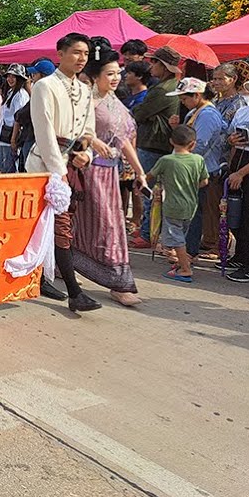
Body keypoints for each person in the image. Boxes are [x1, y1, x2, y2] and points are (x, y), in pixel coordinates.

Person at [25, 33, 102, 313]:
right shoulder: (45, 86)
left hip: (71, 163)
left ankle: (47, 277)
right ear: (60, 53)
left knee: (59, 226)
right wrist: (58, 172)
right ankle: (73, 291)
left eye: (85, 54)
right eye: (76, 52)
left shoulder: (84, 90)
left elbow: (89, 131)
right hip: (46, 166)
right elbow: (44, 131)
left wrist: (86, 153)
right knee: (52, 226)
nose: (81, 58)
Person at [71, 51, 151, 306]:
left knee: (110, 224)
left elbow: (123, 140)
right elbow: (71, 130)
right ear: (95, 76)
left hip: (109, 173)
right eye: (110, 73)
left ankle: (117, 281)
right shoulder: (85, 102)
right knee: (85, 224)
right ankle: (79, 269)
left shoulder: (115, 102)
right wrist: (93, 140)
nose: (117, 77)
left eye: (119, 72)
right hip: (86, 172)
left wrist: (139, 171)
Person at [167, 77, 226, 262]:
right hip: (196, 168)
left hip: (203, 170)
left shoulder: (207, 115)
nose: (182, 102)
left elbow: (200, 144)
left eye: (184, 98)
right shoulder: (196, 111)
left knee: (195, 214)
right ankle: (186, 250)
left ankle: (189, 252)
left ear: (197, 95)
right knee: (191, 212)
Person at [130, 46, 182, 249]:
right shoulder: (168, 85)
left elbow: (139, 113)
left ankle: (147, 233)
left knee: (149, 190)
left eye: (155, 62)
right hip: (159, 142)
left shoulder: (162, 89)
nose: (151, 66)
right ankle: (147, 229)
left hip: (153, 142)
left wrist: (146, 113)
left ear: (164, 66)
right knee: (153, 190)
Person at [147, 125, 210, 283]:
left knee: (176, 240)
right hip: (190, 206)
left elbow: (150, 175)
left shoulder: (167, 160)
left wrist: (139, 182)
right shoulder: (198, 160)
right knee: (181, 236)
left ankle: (185, 269)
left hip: (172, 207)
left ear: (171, 142)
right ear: (193, 144)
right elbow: (204, 181)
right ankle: (181, 262)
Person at [224, 78, 249, 282]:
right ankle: (241, 254)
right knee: (235, 211)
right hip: (239, 159)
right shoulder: (244, 111)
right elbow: (231, 137)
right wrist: (231, 141)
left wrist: (242, 173)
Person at [0, 64, 30, 173]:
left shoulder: (21, 95)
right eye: (8, 76)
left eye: (13, 76)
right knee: (1, 165)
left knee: (8, 168)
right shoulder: (11, 92)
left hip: (11, 135)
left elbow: (18, 119)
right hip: (4, 135)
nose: (10, 79)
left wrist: (13, 140)